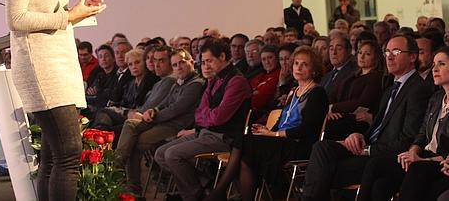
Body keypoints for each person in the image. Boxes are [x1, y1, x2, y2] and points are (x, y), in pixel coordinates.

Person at [4, 0, 106, 200]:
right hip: (40, 63)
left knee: (53, 157)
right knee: (69, 154)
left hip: (60, 59)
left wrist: (82, 10)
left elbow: (55, 12)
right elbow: (17, 19)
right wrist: (69, 17)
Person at [301, 35, 431, 201]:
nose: (389, 56)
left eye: (396, 51)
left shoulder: (418, 89)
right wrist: (359, 136)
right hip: (369, 147)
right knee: (322, 148)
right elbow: (376, 127)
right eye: (387, 52)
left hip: (385, 156)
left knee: (324, 170)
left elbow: (408, 138)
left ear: (412, 56)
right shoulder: (390, 89)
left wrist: (368, 149)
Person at [206, 45, 329, 200]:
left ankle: (219, 192)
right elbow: (283, 119)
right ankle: (226, 193)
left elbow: (308, 128)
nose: (298, 67)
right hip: (282, 142)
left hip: (299, 145)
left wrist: (274, 134)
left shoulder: (317, 93)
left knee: (244, 144)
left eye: (305, 64)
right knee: (245, 151)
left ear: (314, 70)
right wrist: (267, 130)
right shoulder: (294, 90)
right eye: (296, 63)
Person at [154, 37, 252, 201]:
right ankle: (205, 186)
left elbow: (219, 117)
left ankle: (192, 195)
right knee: (160, 154)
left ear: (222, 57)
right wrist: (207, 116)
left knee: (172, 154)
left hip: (225, 137)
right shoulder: (214, 79)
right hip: (206, 132)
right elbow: (199, 114)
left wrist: (207, 116)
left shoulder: (237, 81)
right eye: (203, 62)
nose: (205, 65)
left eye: (209, 61)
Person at [357, 46, 449, 201]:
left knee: (416, 169)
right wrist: (413, 151)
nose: (435, 69)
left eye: (442, 64)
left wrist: (423, 160)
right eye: (434, 64)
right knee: (378, 175)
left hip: (439, 161)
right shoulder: (436, 98)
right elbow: (421, 134)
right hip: (424, 155)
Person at [116, 49, 205, 195]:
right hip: (162, 121)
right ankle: (117, 165)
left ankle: (132, 187)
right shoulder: (178, 82)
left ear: (192, 62)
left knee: (136, 142)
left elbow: (177, 109)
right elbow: (165, 103)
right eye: (175, 65)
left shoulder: (196, 84)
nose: (179, 67)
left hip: (176, 126)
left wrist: (155, 116)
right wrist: (153, 111)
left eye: (182, 62)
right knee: (130, 123)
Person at [324, 40, 384, 140]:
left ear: (376, 58)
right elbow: (333, 94)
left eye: (367, 54)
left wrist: (334, 107)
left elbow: (363, 103)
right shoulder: (352, 75)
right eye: (360, 53)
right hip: (340, 115)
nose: (362, 56)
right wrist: (330, 110)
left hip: (357, 120)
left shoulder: (376, 78)